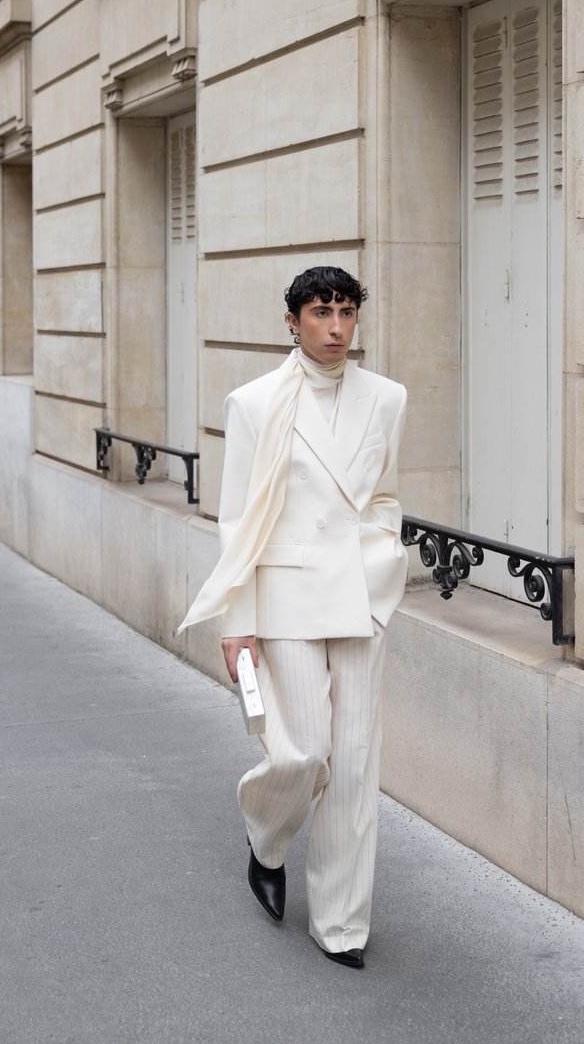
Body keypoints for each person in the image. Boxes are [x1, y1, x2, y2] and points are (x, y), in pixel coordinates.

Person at [179, 266, 408, 969]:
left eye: (346, 313)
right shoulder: (254, 404)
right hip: (285, 596)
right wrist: (236, 621)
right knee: (304, 750)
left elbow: (385, 496)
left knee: (357, 762)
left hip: (360, 596)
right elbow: (240, 522)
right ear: (293, 321)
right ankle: (266, 834)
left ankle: (341, 923)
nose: (336, 328)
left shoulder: (387, 398)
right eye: (321, 312)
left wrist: (381, 560)